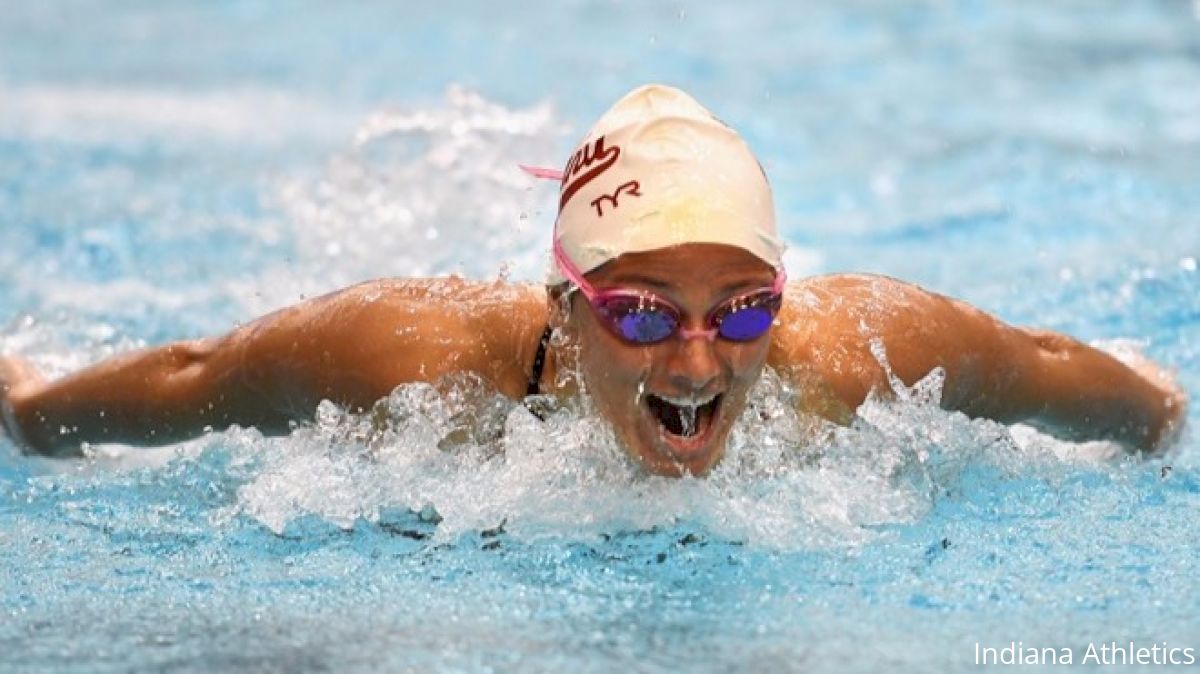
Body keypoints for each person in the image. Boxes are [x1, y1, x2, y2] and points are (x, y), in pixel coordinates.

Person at [0, 84, 1187, 477]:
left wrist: (1160, 417)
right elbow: (201, 373)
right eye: (637, 311)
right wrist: (31, 411)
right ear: (565, 306)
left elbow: (1036, 369)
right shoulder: (417, 360)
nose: (695, 359)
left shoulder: (856, 355)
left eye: (744, 309)